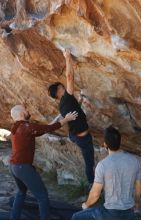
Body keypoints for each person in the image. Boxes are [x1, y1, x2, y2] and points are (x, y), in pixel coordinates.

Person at [10, 104, 78, 220]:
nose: (27, 111)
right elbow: (47, 129)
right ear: (22, 113)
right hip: (22, 167)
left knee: (21, 192)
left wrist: (58, 117)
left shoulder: (17, 128)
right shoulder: (26, 127)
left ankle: (14, 218)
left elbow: (43, 129)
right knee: (42, 196)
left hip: (14, 167)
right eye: (25, 110)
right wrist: (66, 119)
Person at [71, 126, 141, 220]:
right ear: (119, 142)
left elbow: (95, 194)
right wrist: (137, 204)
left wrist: (86, 205)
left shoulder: (103, 165)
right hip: (129, 213)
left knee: (75, 217)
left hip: (110, 214)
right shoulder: (134, 161)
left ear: (105, 145)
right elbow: (139, 185)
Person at [48, 49, 95, 185]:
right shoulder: (67, 98)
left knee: (89, 161)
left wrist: (80, 101)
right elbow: (70, 77)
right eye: (62, 87)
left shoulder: (64, 104)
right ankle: (92, 186)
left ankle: (92, 183)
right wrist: (67, 57)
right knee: (89, 163)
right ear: (59, 92)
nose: (65, 86)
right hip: (82, 138)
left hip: (75, 135)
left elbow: (74, 111)